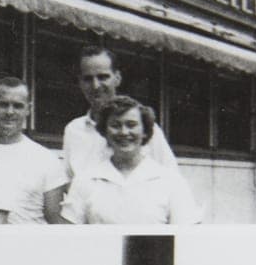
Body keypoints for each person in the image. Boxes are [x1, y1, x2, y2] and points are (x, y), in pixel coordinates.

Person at [60, 96, 201, 225]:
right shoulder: (85, 180)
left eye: (131, 124)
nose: (124, 132)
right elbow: (70, 236)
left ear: (145, 131)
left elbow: (187, 236)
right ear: (104, 131)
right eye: (115, 125)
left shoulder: (170, 180)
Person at [62, 46, 177, 180]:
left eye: (103, 77)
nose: (96, 86)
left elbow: (172, 179)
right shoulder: (74, 130)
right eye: (88, 79)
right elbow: (70, 182)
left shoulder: (142, 128)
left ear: (117, 78)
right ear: (80, 83)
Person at [0, 78, 70, 224]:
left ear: (28, 109)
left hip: (29, 244)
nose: (10, 112)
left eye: (18, 106)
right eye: (3, 104)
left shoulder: (46, 159)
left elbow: (56, 220)